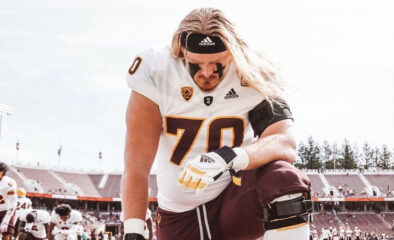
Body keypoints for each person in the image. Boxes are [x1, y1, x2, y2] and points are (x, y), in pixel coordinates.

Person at [122, 7, 312, 240]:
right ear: (182, 53)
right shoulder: (156, 71)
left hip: (232, 198)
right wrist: (133, 230)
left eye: (216, 63)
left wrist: (228, 157)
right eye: (196, 63)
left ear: (232, 54)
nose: (206, 72)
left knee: (284, 179)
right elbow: (137, 166)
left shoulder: (251, 71)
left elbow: (284, 141)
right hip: (178, 212)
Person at [0, 162, 17, 240]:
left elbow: (13, 203)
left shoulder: (9, 183)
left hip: (6, 210)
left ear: (2, 172)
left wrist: (6, 220)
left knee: (6, 235)